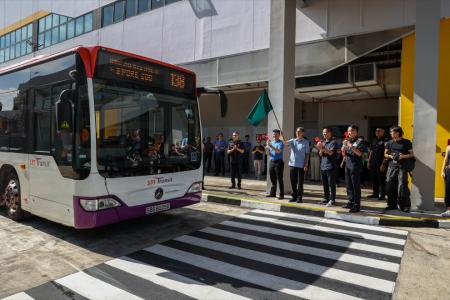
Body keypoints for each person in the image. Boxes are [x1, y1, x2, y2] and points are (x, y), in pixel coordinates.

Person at [384, 126, 415, 212]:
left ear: (398, 133)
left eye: (392, 132)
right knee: (390, 185)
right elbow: (385, 154)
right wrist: (390, 156)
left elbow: (412, 154)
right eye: (390, 132)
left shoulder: (406, 142)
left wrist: (403, 156)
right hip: (391, 166)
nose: (391, 133)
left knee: (402, 186)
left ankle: (405, 206)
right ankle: (392, 205)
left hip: (402, 167)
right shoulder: (389, 142)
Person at [282, 127, 309, 203]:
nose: (297, 133)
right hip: (292, 164)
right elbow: (285, 143)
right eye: (296, 131)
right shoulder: (293, 140)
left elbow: (307, 154)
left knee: (300, 182)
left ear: (303, 133)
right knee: (293, 182)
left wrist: (306, 164)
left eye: (299, 131)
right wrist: (283, 137)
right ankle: (294, 196)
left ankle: (300, 197)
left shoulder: (306, 142)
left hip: (301, 165)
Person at [342, 125, 365, 213]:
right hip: (348, 165)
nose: (350, 132)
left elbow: (359, 154)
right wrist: (343, 147)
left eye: (352, 131)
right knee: (348, 185)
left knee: (355, 186)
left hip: (355, 166)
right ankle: (350, 201)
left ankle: (357, 204)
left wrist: (350, 146)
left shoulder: (359, 141)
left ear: (356, 132)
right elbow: (344, 154)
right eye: (349, 131)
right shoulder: (348, 141)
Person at [317, 127, 337, 207]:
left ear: (330, 133)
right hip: (323, 166)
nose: (324, 134)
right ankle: (326, 198)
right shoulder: (323, 142)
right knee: (325, 184)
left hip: (330, 166)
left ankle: (332, 200)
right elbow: (320, 155)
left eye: (325, 132)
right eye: (323, 133)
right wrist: (320, 149)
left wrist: (323, 147)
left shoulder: (333, 142)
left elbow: (331, 153)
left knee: (331, 184)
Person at [368, 128, 387, 199]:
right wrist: (369, 161)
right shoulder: (374, 140)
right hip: (373, 162)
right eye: (376, 131)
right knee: (374, 179)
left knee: (381, 179)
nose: (377, 132)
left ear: (383, 132)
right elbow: (371, 151)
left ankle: (383, 195)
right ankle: (375, 193)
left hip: (381, 163)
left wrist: (383, 164)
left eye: (379, 131)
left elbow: (387, 153)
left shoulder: (385, 141)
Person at [266, 129, 285, 199]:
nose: (274, 135)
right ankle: (272, 193)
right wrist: (267, 148)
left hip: (279, 162)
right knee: (272, 178)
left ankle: (281, 194)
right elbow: (268, 154)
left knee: (279, 179)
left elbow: (278, 151)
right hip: (272, 162)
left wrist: (270, 146)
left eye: (276, 134)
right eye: (273, 134)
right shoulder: (272, 142)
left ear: (279, 135)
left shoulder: (281, 143)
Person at [441, 144, 450, 217]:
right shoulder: (448, 147)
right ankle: (449, 210)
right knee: (448, 190)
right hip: (449, 170)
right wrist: (442, 171)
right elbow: (445, 159)